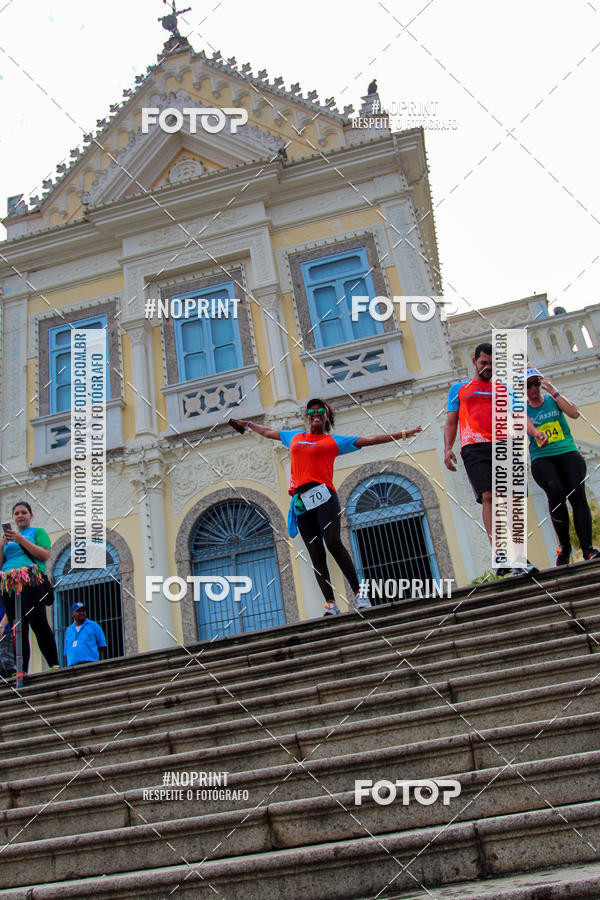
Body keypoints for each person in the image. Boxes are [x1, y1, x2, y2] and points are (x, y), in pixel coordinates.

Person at [230, 399, 421, 616]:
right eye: (311, 411)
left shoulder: (333, 441)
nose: (315, 414)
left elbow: (371, 439)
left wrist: (403, 434)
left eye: (321, 411)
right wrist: (248, 425)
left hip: (324, 497)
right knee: (315, 554)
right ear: (307, 417)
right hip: (302, 501)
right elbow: (267, 432)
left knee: (333, 542)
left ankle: (360, 593)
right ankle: (330, 604)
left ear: (327, 416)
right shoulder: (294, 437)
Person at [444, 342, 536, 576]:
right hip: (474, 446)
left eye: (492, 365)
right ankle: (500, 554)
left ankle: (518, 557)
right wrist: (447, 448)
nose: (487, 368)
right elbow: (451, 421)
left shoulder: (504, 389)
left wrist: (534, 433)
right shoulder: (459, 389)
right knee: (489, 496)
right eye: (484, 363)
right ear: (474, 361)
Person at [526, 367, 600, 565]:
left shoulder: (552, 400)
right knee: (556, 493)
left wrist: (553, 390)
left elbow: (574, 413)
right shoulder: (521, 408)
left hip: (567, 452)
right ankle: (565, 547)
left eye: (536, 383)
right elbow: (523, 423)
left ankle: (588, 550)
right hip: (543, 457)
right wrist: (536, 434)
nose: (533, 388)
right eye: (528, 385)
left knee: (578, 496)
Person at [0, 500, 59, 674]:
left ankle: (53, 663)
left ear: (30, 515)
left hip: (30, 580)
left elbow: (44, 554)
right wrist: (2, 546)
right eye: (17, 513)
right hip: (9, 583)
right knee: (17, 626)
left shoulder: (37, 532)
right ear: (13, 518)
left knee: (38, 622)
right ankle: (21, 669)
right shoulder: (8, 539)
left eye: (23, 512)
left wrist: (20, 540)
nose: (20, 516)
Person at [63, 602, 108, 666]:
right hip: (72, 667)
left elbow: (102, 646)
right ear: (72, 614)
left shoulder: (94, 626)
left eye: (83, 611)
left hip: (90, 664)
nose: (82, 613)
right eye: (78, 611)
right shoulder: (69, 630)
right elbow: (66, 651)